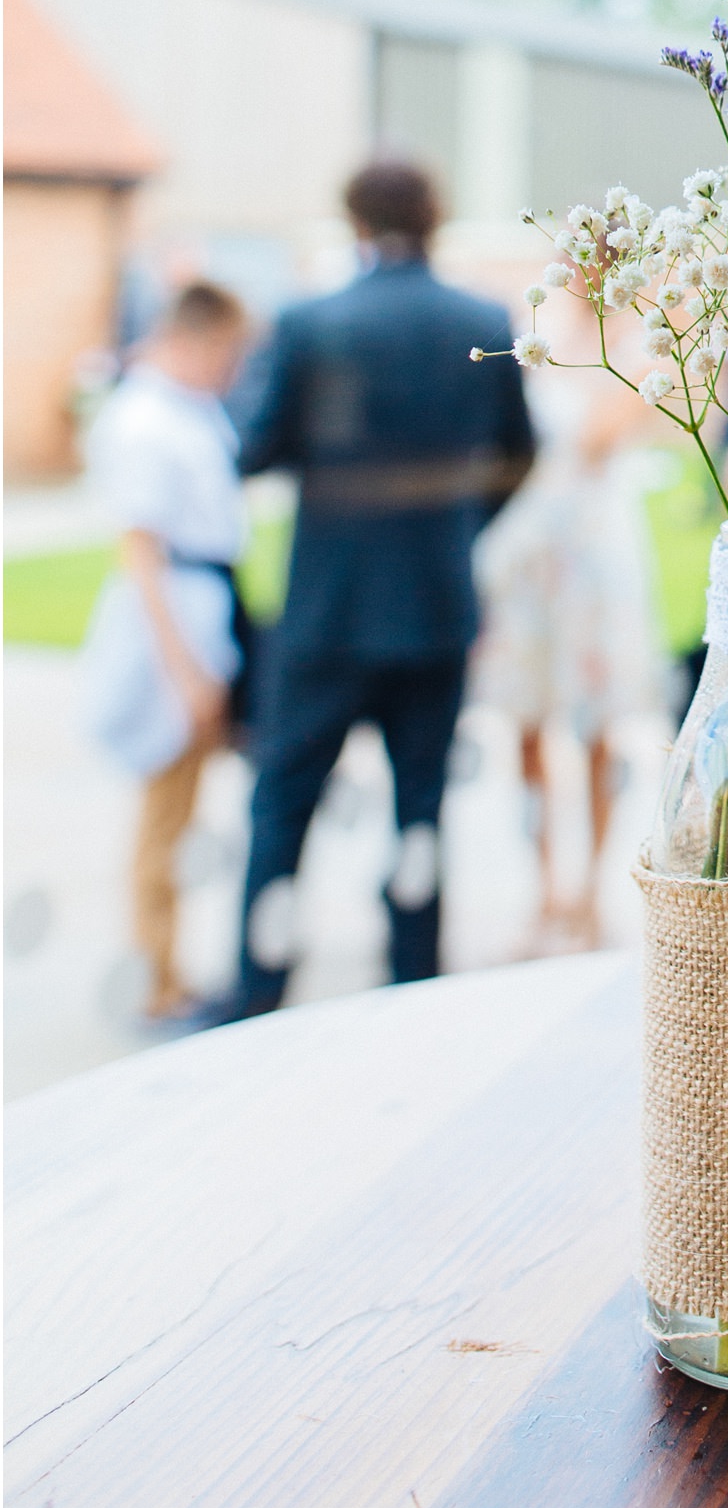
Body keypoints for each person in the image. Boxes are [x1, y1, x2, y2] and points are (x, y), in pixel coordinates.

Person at [227, 159, 533, 1012]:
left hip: (328, 607)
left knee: (285, 804)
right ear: (434, 217)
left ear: (353, 217)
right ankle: (412, 984)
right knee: (421, 806)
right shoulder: (479, 319)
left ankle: (259, 984)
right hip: (435, 605)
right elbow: (519, 455)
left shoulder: (309, 321)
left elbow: (252, 450)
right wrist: (457, 528)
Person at [77, 280, 254, 1023]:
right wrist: (184, 669)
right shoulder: (146, 419)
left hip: (205, 601)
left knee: (180, 806)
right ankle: (155, 970)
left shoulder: (187, 410)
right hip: (174, 617)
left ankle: (169, 962)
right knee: (164, 807)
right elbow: (141, 550)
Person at [469, 374, 668, 944]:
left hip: (590, 557)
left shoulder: (633, 349)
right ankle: (544, 886)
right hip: (528, 554)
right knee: (524, 730)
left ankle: (592, 890)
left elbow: (599, 437)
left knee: (597, 734)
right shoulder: (528, 336)